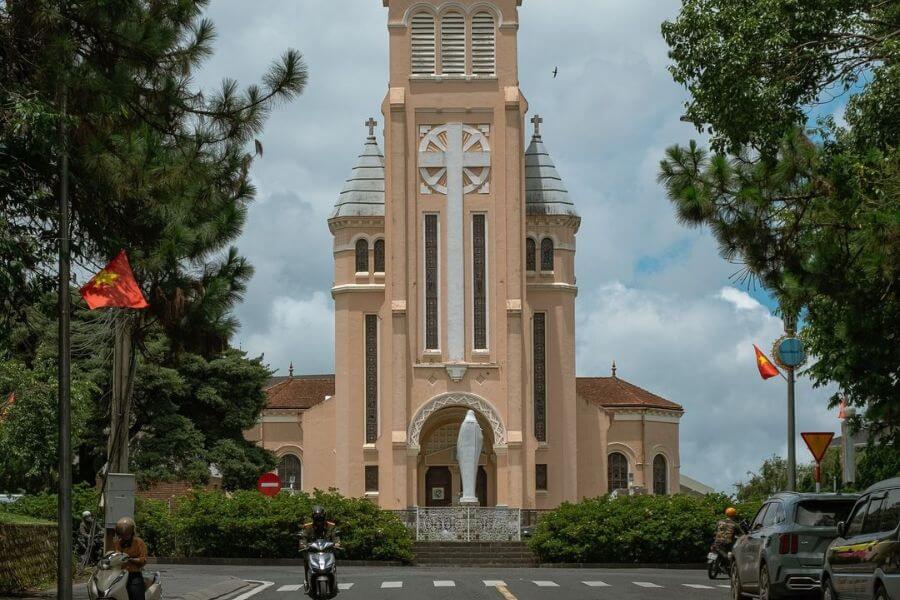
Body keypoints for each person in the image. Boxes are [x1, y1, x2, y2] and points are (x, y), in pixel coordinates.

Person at [299, 506, 340, 589]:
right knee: (306, 559)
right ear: (313, 517)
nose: (319, 521)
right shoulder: (308, 527)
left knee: (334, 559)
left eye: (320, 518)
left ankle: (334, 580)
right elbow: (303, 537)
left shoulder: (331, 526)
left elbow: (335, 536)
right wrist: (303, 545)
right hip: (312, 551)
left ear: (324, 516)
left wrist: (337, 543)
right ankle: (307, 581)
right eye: (316, 518)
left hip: (327, 550)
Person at [113, 517, 148, 600]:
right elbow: (114, 555)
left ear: (131, 532)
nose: (124, 536)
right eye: (122, 534)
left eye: (126, 534)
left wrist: (130, 559)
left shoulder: (138, 542)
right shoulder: (118, 543)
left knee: (135, 592)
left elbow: (143, 559)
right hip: (119, 574)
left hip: (133, 574)